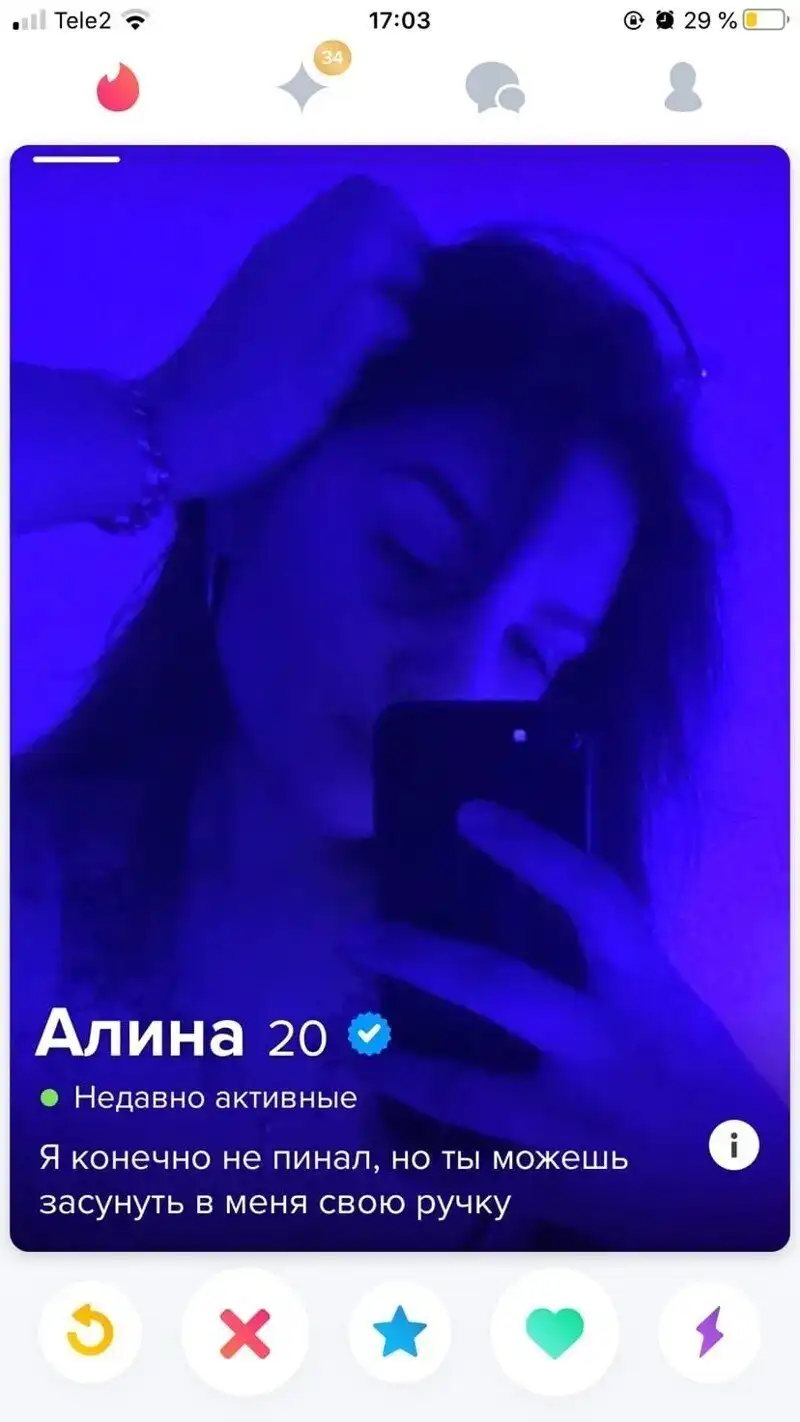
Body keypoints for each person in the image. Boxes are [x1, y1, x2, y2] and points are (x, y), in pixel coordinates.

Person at [11, 176, 787, 1247]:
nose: (454, 680)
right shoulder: (30, 881)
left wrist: (743, 1183)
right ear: (245, 491)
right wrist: (154, 429)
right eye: (412, 555)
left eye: (534, 649)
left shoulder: (565, 1030)